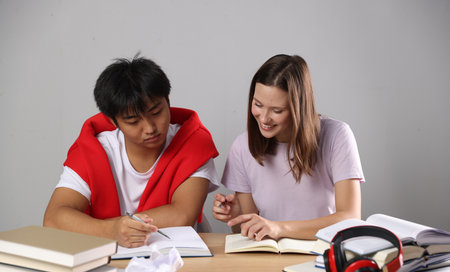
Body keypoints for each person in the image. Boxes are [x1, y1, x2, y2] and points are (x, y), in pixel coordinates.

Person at [44, 55, 219, 248]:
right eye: (133, 121)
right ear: (112, 120)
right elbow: (54, 219)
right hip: (108, 259)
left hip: (178, 256)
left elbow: (182, 215)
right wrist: (112, 230)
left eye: (156, 112)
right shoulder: (93, 150)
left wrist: (107, 228)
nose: (150, 128)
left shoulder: (193, 141)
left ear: (168, 101)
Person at [213, 54, 364, 241]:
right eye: (258, 104)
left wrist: (279, 228)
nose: (264, 118)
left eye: (277, 110)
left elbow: (350, 218)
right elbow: (250, 233)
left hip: (323, 253)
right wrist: (237, 216)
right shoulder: (242, 147)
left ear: (299, 108)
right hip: (269, 256)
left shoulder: (337, 135)